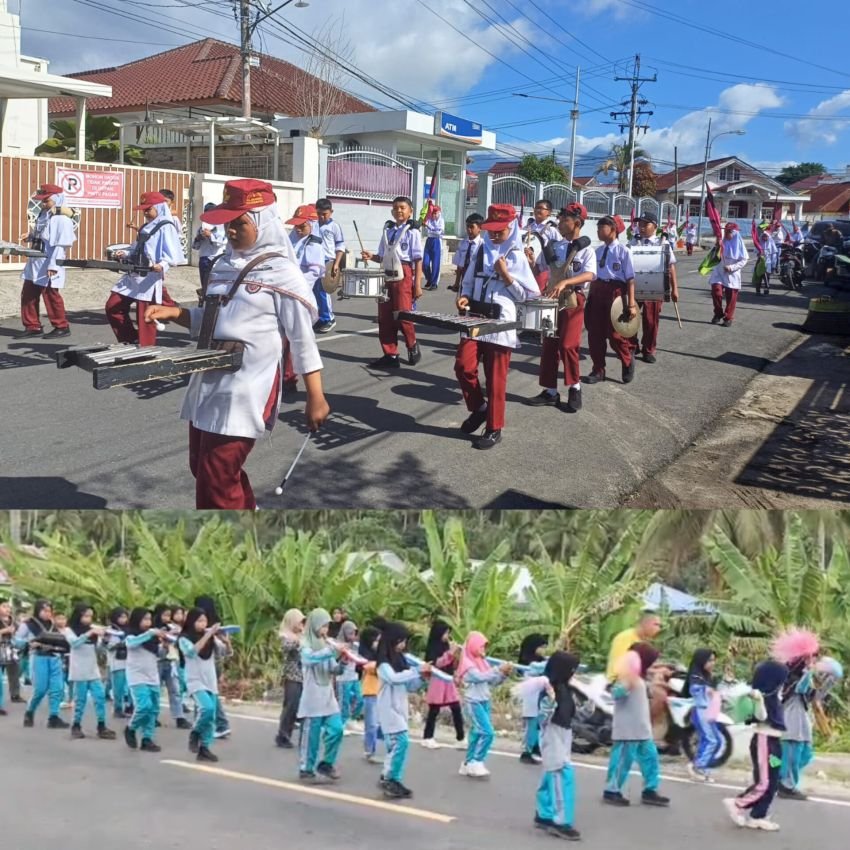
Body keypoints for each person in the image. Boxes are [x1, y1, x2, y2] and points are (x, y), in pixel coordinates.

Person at [144, 178, 330, 510]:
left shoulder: (283, 272)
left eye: (239, 223)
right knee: (204, 468)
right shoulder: (222, 265)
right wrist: (176, 314)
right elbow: (213, 320)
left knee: (217, 472)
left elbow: (302, 339)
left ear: (262, 222)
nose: (230, 231)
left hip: (248, 386)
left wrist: (315, 395)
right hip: (209, 379)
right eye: (227, 223)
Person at [455, 203, 540, 450]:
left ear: (511, 227)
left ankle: (494, 427)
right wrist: (464, 296)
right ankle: (479, 408)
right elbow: (468, 282)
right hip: (475, 317)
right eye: (490, 229)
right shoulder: (481, 250)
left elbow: (529, 296)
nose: (493, 234)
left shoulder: (516, 255)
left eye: (499, 230)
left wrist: (506, 276)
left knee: (495, 378)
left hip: (501, 321)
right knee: (463, 366)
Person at [525, 203, 597, 413]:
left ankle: (575, 386)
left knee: (567, 345)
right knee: (549, 345)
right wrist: (531, 262)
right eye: (560, 218)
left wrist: (566, 282)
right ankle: (550, 391)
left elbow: (590, 275)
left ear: (577, 223)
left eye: (565, 219)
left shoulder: (586, 250)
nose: (560, 223)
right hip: (552, 300)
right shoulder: (554, 246)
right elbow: (539, 269)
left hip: (573, 300)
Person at [105, 191, 184, 348]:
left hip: (149, 277)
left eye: (148, 209)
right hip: (133, 274)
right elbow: (137, 248)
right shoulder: (145, 227)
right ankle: (130, 339)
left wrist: (162, 265)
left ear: (159, 207)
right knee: (113, 306)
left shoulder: (166, 226)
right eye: (144, 210)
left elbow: (173, 253)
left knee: (145, 317)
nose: (145, 213)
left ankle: (146, 348)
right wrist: (125, 253)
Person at [723, 660, 788, 832]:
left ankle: (758, 816)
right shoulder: (761, 697)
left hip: (774, 744)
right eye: (781, 681)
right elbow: (761, 716)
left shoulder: (776, 697)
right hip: (764, 743)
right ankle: (737, 803)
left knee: (773, 782)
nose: (783, 685)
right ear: (773, 681)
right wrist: (759, 700)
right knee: (763, 782)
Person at [603, 642, 670, 807]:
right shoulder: (627, 677)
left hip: (642, 728)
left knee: (650, 758)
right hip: (628, 730)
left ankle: (650, 790)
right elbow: (615, 693)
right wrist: (626, 684)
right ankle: (612, 790)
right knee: (622, 761)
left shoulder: (638, 676)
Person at [360, 196, 423, 369]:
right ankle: (390, 354)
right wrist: (371, 256)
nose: (399, 211)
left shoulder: (412, 231)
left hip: (404, 274)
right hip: (386, 274)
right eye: (395, 208)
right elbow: (383, 256)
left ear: (410, 211)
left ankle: (412, 344)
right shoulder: (387, 231)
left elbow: (418, 259)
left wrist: (417, 284)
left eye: (402, 207)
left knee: (402, 315)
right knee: (385, 316)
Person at [376, 622, 429, 799]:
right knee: (401, 742)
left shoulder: (400, 660)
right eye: (401, 641)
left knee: (397, 746)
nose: (403, 645)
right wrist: (416, 670)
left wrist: (422, 677)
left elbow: (410, 685)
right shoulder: (383, 665)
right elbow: (393, 678)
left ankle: (392, 778)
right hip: (388, 709)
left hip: (399, 709)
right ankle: (389, 778)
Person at [16, 183, 76, 339]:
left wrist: (54, 265)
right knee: (28, 293)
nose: (43, 203)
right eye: (42, 200)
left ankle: (61, 326)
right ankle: (32, 326)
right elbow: (43, 235)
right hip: (36, 260)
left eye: (46, 200)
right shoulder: (44, 215)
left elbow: (62, 244)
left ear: (57, 199)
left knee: (51, 295)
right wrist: (30, 236)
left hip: (49, 261)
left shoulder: (61, 219)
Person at [534, 651, 582, 841]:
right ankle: (561, 822)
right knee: (562, 775)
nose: (574, 673)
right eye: (572, 669)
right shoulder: (548, 689)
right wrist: (550, 700)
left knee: (550, 774)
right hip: (552, 736)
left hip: (563, 735)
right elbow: (542, 718)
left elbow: (572, 712)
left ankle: (544, 813)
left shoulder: (566, 688)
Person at [585, 216, 637, 385]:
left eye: (602, 228)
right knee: (595, 334)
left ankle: (627, 359)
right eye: (598, 228)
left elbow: (630, 279)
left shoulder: (624, 251)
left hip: (615, 292)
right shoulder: (597, 251)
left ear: (613, 230)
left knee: (615, 335)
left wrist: (631, 304)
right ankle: (598, 369)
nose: (598, 231)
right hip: (597, 291)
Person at [297, 608, 347, 783]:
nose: (325, 630)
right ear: (315, 625)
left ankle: (326, 763)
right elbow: (308, 659)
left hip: (327, 697)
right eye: (323, 626)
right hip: (313, 698)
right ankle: (306, 768)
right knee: (311, 736)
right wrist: (330, 650)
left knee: (337, 729)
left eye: (327, 626)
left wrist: (343, 661)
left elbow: (334, 669)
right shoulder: (305, 643)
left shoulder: (326, 644)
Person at [178, 606, 230, 763]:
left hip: (210, 680)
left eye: (205, 621)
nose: (203, 624)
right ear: (191, 621)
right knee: (206, 708)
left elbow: (226, 653)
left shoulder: (211, 639)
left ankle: (204, 748)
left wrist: (226, 642)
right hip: (195, 681)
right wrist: (208, 634)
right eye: (199, 621)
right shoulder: (184, 638)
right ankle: (195, 732)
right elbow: (191, 652)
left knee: (211, 717)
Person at [457, 630, 513, 778]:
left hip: (484, 700)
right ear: (474, 646)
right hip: (473, 701)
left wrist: (503, 674)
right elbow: (479, 677)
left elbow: (492, 681)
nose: (483, 649)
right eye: (481, 646)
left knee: (476, 733)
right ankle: (477, 761)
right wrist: (498, 669)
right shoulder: (467, 664)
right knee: (487, 732)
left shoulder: (482, 662)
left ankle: (468, 763)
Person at [627, 211, 679, 365]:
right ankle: (632, 346)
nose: (641, 227)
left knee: (651, 321)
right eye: (640, 224)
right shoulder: (632, 242)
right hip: (635, 288)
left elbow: (671, 267)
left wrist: (675, 289)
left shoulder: (663, 243)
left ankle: (648, 350)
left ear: (655, 226)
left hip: (655, 288)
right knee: (631, 318)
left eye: (645, 224)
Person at [776, 629, 820, 800]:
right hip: (791, 722)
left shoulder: (805, 677)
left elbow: (812, 696)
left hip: (802, 722)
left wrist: (829, 681)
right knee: (792, 756)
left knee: (805, 755)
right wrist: (809, 671)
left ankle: (782, 779)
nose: (813, 661)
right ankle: (787, 786)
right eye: (810, 657)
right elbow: (800, 688)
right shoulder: (791, 678)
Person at [63, 603, 116, 741]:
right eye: (86, 616)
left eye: (90, 616)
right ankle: (76, 725)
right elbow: (74, 643)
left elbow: (99, 648)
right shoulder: (69, 630)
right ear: (78, 616)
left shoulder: (92, 630)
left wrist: (105, 638)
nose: (88, 619)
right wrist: (89, 633)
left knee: (99, 697)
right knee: (80, 700)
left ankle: (101, 726)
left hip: (92, 669)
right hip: (79, 670)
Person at [15, 599, 68, 729]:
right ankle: (29, 712)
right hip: (38, 658)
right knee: (40, 689)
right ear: (38, 610)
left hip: (55, 657)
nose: (47, 613)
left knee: (57, 689)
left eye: (49, 611)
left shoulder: (53, 625)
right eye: (44, 610)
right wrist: (29, 643)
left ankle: (54, 717)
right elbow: (17, 641)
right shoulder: (28, 624)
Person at [123, 607, 166, 753]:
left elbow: (160, 654)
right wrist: (149, 633)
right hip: (137, 676)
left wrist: (165, 645)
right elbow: (131, 644)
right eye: (145, 619)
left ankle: (147, 738)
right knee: (144, 706)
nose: (148, 622)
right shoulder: (130, 634)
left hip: (152, 675)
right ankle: (131, 727)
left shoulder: (153, 638)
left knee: (154, 709)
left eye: (149, 619)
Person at [421, 620, 464, 750]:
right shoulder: (433, 647)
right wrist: (450, 653)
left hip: (448, 680)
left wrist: (456, 655)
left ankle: (461, 738)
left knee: (456, 707)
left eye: (448, 633)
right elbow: (437, 663)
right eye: (445, 633)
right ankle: (427, 737)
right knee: (434, 710)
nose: (447, 636)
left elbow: (452, 664)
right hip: (438, 680)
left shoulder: (447, 645)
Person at [683, 648, 722, 782]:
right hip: (701, 712)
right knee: (711, 740)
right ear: (701, 660)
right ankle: (698, 767)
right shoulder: (696, 676)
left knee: (716, 741)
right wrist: (708, 690)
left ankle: (699, 765)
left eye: (714, 660)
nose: (713, 663)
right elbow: (695, 690)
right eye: (709, 660)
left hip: (709, 712)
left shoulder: (706, 676)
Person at [153, 604, 189, 729]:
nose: (167, 618)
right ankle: (153, 716)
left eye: (169, 615)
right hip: (157, 662)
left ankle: (179, 717)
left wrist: (174, 633)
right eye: (164, 615)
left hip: (172, 660)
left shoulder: (173, 627)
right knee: (155, 690)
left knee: (175, 690)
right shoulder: (153, 629)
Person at [275, 608, 305, 749]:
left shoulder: (301, 636)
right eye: (300, 621)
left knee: (299, 706)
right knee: (290, 706)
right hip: (292, 676)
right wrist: (299, 640)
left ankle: (296, 734)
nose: (301, 624)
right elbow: (286, 647)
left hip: (303, 675)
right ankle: (283, 736)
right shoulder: (285, 635)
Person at [709, 223, 749, 327]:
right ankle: (718, 313)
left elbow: (744, 260)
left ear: (735, 233)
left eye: (729, 231)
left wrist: (732, 267)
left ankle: (728, 317)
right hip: (719, 272)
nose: (726, 233)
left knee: (731, 297)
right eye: (726, 231)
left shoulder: (739, 244)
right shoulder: (721, 241)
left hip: (732, 274)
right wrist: (717, 246)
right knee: (716, 292)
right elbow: (713, 256)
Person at [518, 634, 549, 765]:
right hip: (531, 699)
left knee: (538, 726)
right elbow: (537, 668)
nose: (544, 650)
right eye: (542, 647)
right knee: (531, 726)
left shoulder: (541, 660)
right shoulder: (527, 663)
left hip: (540, 699)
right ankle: (527, 751)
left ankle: (536, 749)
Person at [314, 197, 344, 333]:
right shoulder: (314, 225)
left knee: (323, 290)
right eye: (319, 213)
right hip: (315, 261)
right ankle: (320, 318)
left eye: (324, 214)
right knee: (314, 291)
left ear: (331, 212)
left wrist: (336, 264)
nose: (321, 217)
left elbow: (340, 246)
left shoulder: (334, 226)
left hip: (328, 262)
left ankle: (329, 318)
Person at [606, 613, 661, 682]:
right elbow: (620, 666)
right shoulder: (626, 637)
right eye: (656, 624)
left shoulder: (643, 640)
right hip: (618, 681)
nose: (658, 629)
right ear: (645, 624)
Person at [358, 625, 382, 763]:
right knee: (371, 724)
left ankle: (372, 749)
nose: (378, 643)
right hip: (370, 691)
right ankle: (369, 751)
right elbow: (370, 667)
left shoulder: (380, 655)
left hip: (380, 691)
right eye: (376, 640)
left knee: (377, 724)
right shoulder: (363, 656)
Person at [525, 199, 562, 292]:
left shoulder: (552, 230)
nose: (538, 210)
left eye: (541, 208)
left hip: (544, 270)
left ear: (549, 213)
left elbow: (559, 249)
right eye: (536, 208)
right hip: (528, 267)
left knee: (540, 294)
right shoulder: (528, 227)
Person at [193, 203, 228, 294]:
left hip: (217, 258)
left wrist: (210, 235)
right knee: (205, 283)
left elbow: (222, 242)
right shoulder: (202, 227)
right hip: (204, 258)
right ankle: (205, 298)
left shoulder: (222, 227)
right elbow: (195, 246)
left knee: (215, 284)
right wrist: (199, 238)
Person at [336, 620, 363, 732]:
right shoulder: (338, 645)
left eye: (354, 633)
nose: (352, 636)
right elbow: (334, 660)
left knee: (360, 698)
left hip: (354, 676)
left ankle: (352, 719)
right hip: (343, 678)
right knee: (344, 702)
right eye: (350, 633)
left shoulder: (356, 646)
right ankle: (342, 723)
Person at [105, 607, 131, 718]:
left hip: (129, 661)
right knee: (118, 688)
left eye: (125, 617)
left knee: (130, 687)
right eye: (121, 617)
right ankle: (118, 708)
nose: (123, 619)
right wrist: (120, 643)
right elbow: (107, 646)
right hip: (116, 661)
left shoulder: (129, 629)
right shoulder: (110, 630)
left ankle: (130, 706)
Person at [449, 213, 483, 293]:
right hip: (464, 280)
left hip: (476, 281)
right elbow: (459, 266)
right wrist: (457, 283)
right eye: (467, 226)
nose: (469, 229)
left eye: (472, 227)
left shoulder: (482, 245)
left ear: (480, 228)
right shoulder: (462, 244)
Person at [0, 599, 23, 707]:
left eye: (8, 607)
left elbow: (20, 633)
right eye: (4, 606)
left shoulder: (13, 620)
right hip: (1, 647)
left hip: (11, 648)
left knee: (14, 671)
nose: (7, 609)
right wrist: (4, 631)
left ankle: (15, 694)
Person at [422, 199, 445, 290]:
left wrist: (429, 227)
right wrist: (428, 204)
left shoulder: (441, 221)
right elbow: (427, 229)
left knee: (435, 264)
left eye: (435, 213)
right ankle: (429, 279)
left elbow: (439, 232)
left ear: (439, 213)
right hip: (429, 241)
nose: (434, 215)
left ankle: (434, 283)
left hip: (437, 241)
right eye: (433, 213)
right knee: (425, 263)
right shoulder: (429, 219)